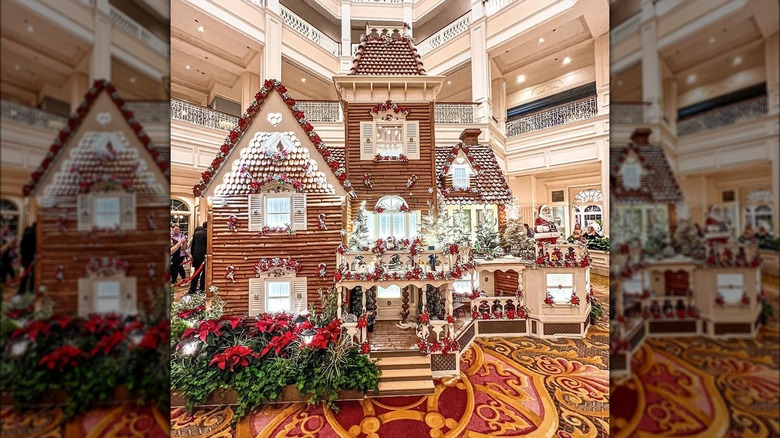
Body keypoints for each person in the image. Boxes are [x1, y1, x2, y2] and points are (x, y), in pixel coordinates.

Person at [188, 222, 207, 294]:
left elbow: (193, 246)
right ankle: (202, 288)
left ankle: (192, 288)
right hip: (204, 256)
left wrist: (192, 255)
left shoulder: (196, 233)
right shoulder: (208, 234)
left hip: (196, 256)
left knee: (196, 272)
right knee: (204, 274)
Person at [17, 223, 36, 295]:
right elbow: (34, 247)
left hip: (25, 257)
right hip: (32, 256)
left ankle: (21, 290)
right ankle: (31, 290)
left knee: (25, 274)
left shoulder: (25, 233)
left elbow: (21, 245)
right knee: (33, 274)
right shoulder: (35, 234)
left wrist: (22, 255)